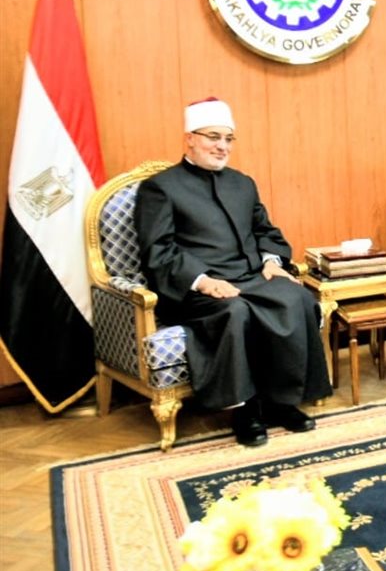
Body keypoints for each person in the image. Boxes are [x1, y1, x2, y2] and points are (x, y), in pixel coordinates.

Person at [135, 98, 331, 446]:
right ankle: (245, 411)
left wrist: (271, 263)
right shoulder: (161, 187)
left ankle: (281, 402)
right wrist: (204, 282)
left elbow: (265, 231)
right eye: (213, 137)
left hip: (252, 277)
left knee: (297, 298)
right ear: (190, 139)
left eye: (228, 139)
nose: (222, 146)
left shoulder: (242, 183)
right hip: (196, 290)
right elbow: (158, 250)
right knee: (234, 311)